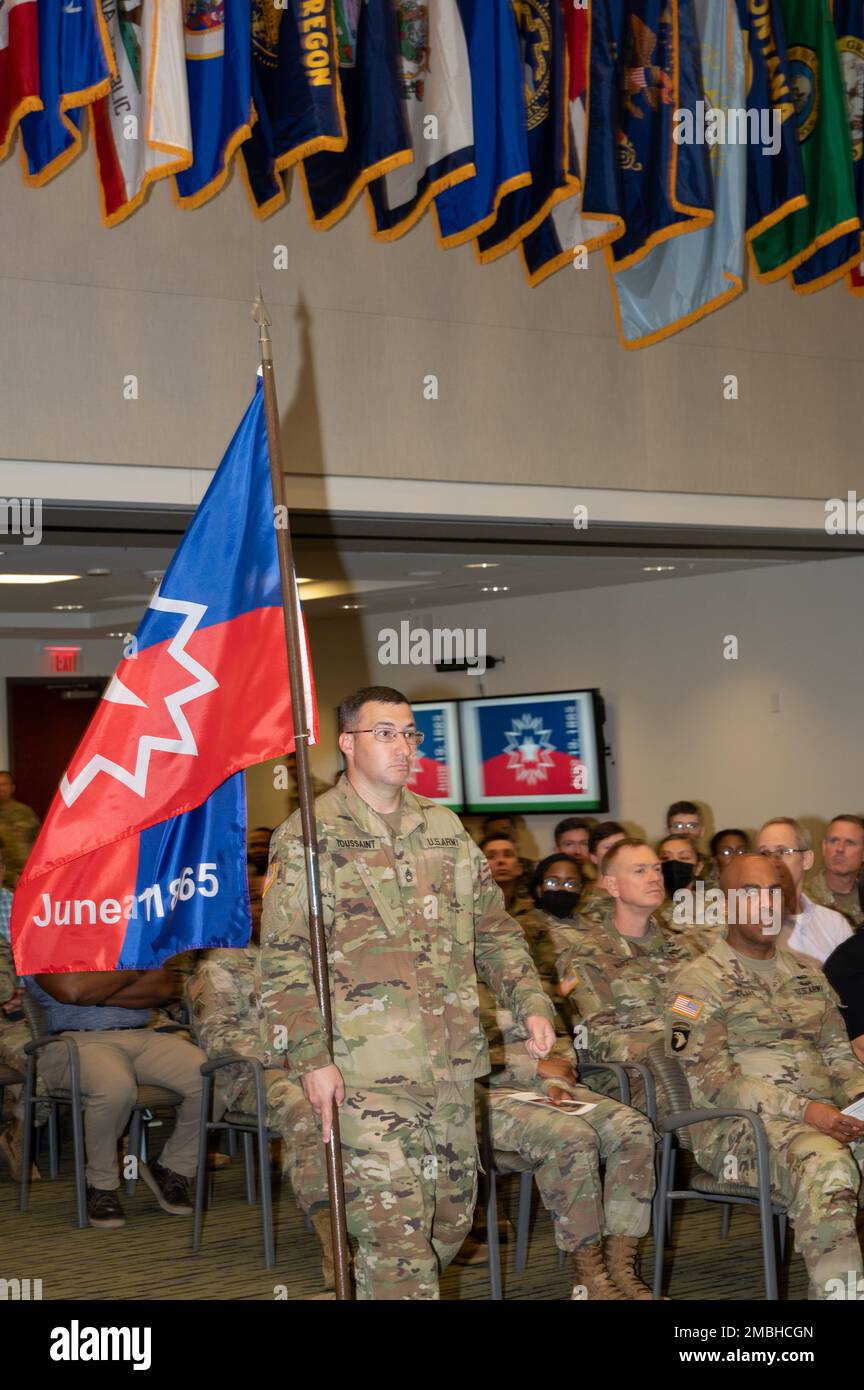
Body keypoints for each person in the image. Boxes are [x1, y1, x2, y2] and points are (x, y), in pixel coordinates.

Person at [260, 685, 555, 1301]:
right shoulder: (309, 835)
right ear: (347, 743)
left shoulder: (442, 828)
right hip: (364, 1072)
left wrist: (530, 1001)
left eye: (411, 734)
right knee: (397, 1247)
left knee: (448, 1226)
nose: (404, 747)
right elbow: (284, 959)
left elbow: (494, 928)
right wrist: (311, 1059)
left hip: (450, 1066)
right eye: (386, 733)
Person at [666, 853, 864, 1301]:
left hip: (826, 1117)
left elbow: (839, 1054)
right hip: (739, 1128)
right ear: (724, 904)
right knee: (827, 1167)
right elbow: (711, 1081)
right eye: (751, 894)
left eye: (774, 893)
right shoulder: (693, 986)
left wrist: (857, 1100)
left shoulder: (808, 975)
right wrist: (807, 1111)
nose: (767, 905)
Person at [189, 862, 333, 1293]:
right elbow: (219, 1036)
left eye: (270, 899)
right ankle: (335, 1239)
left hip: (318, 1064)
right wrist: (292, 1057)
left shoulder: (307, 954)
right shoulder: (220, 964)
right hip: (253, 1075)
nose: (265, 907)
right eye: (253, 901)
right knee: (312, 1109)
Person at [477, 978, 656, 1299]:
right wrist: (530, 1065)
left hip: (545, 1090)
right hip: (485, 1095)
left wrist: (557, 1082)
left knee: (635, 1128)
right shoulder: (449, 979)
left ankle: (619, 1267)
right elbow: (448, 1059)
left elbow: (559, 1049)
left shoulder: (525, 985)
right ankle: (590, 1277)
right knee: (571, 1136)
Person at [26, 960, 221, 1228]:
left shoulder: (128, 935)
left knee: (215, 1076)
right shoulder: (50, 934)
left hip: (145, 1036)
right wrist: (134, 971)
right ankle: (100, 1184)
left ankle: (173, 1167)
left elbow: (162, 989)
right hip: (75, 1041)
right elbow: (70, 991)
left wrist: (95, 993)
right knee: (114, 1087)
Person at [550, 839, 706, 1103]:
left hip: (697, 1065)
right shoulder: (585, 956)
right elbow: (601, 1039)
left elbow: (696, 1007)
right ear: (612, 885)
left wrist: (692, 1040)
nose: (654, 878)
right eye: (639, 870)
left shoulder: (683, 949)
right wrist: (674, 1047)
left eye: (657, 869)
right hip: (636, 1082)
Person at [755, 817, 852, 966]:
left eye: (783, 851)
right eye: (764, 853)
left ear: (806, 859)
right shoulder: (746, 924)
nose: (772, 861)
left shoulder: (834, 924)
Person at [807, 815, 864, 928]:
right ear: (824, 847)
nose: (840, 849)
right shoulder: (803, 899)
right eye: (834, 841)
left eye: (850, 843)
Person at [578, 821, 627, 923]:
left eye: (622, 846)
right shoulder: (581, 897)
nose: (617, 852)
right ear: (593, 857)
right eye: (609, 848)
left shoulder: (643, 891)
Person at [0, 771, 40, 889]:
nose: (1, 788)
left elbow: (42, 844)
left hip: (28, 880)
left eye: (4, 784)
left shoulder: (26, 813)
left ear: (13, 788)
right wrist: (11, 877)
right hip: (4, 883)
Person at [480, 835, 535, 917]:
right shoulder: (468, 910)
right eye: (491, 856)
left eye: (508, 855)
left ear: (519, 868)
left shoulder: (531, 910)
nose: (501, 861)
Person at [665, 801, 708, 875]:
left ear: (702, 832)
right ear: (668, 832)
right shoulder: (657, 864)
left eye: (692, 826)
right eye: (678, 826)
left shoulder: (711, 868)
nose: (685, 832)